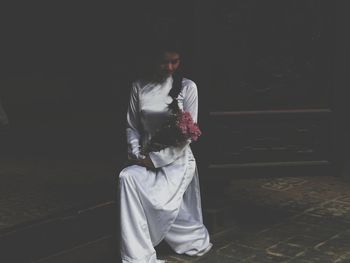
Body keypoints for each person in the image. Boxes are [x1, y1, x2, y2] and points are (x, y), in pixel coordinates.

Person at [118, 44, 212, 263]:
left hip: (176, 161)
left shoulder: (187, 87)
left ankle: (185, 236)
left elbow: (188, 135)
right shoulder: (139, 86)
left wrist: (157, 160)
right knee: (127, 177)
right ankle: (137, 255)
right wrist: (137, 154)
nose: (170, 67)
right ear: (152, 60)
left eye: (175, 61)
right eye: (164, 61)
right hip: (144, 157)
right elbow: (131, 126)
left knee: (162, 204)